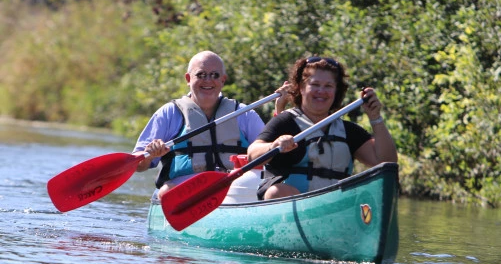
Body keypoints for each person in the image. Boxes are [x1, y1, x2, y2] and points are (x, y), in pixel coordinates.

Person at [133, 50, 288, 199]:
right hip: (182, 190)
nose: (208, 80)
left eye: (215, 75)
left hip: (234, 188)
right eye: (201, 74)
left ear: (223, 80)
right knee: (166, 191)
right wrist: (149, 155)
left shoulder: (244, 114)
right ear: (188, 79)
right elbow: (138, 165)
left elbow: (272, 153)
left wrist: (279, 111)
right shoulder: (169, 113)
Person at [247, 56, 398, 200]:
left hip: (336, 207)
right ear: (301, 88)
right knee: (276, 192)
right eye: (315, 85)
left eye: (328, 86)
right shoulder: (285, 122)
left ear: (336, 91)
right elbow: (252, 155)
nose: (321, 91)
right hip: (292, 209)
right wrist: (273, 146)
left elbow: (386, 162)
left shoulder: (348, 131)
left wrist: (375, 118)